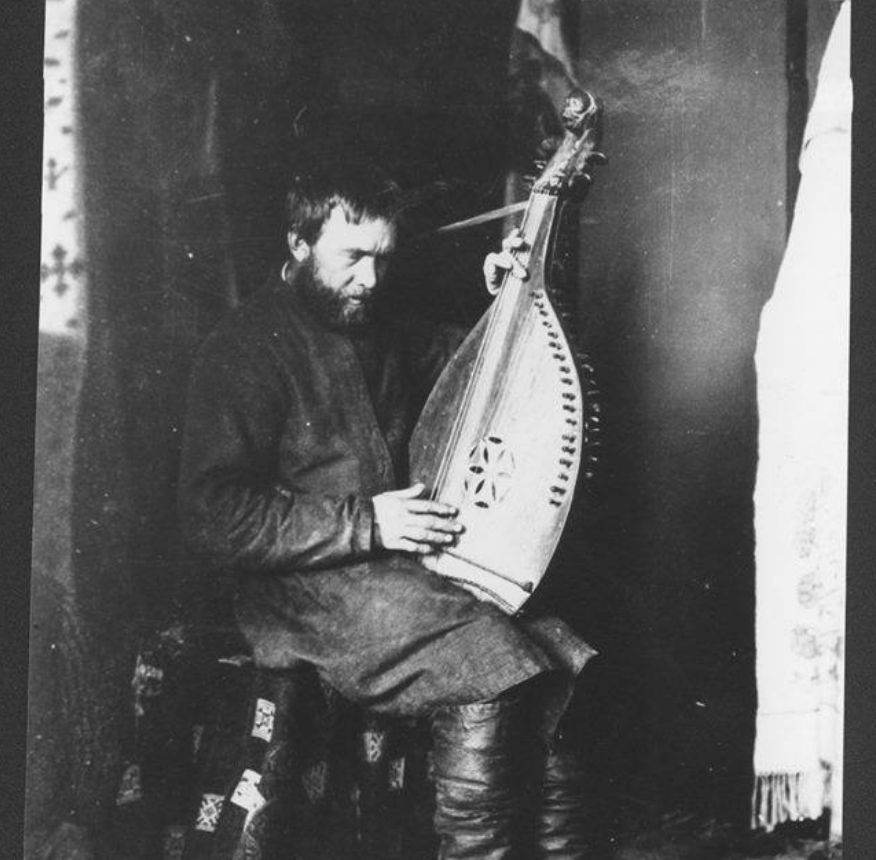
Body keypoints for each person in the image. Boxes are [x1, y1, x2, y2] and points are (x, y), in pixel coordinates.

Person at [178, 155, 597, 858]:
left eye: (382, 258)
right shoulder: (243, 349)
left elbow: (484, 371)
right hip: (303, 587)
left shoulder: (381, 321)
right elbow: (212, 513)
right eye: (352, 258)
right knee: (491, 662)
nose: (370, 279)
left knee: (559, 654)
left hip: (398, 565)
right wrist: (369, 522)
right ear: (298, 243)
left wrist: (508, 303)